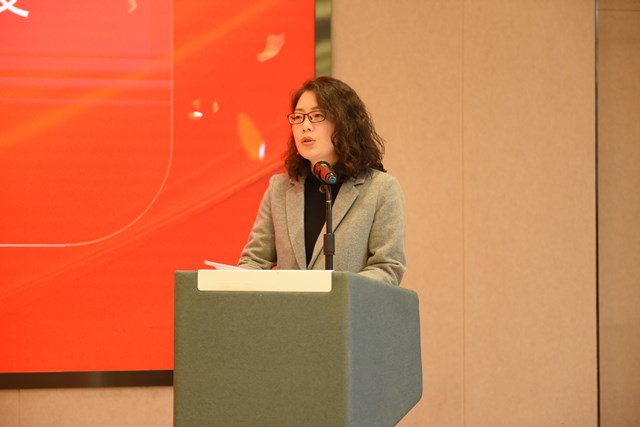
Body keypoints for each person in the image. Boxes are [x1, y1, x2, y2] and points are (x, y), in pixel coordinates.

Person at [237, 76, 406, 286]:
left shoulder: (381, 189)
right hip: (288, 308)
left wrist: (337, 293)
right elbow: (255, 260)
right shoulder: (279, 188)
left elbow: (387, 268)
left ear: (345, 123)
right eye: (298, 117)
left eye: (317, 116)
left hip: (347, 307)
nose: (305, 126)